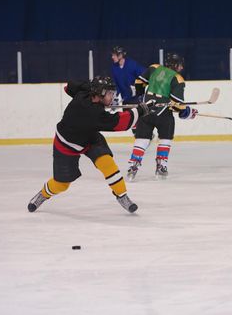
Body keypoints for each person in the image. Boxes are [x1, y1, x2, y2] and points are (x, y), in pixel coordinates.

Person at [27, 76, 151, 214]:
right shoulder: (93, 113)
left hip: (89, 136)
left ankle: (121, 195)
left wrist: (90, 86)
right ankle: (43, 194)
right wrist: (140, 111)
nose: (112, 97)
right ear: (100, 93)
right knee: (61, 184)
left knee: (107, 164)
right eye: (110, 93)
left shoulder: (85, 93)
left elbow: (70, 86)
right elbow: (119, 123)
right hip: (67, 144)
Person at [126, 52, 198, 181]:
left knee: (142, 139)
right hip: (163, 114)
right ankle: (161, 166)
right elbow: (177, 105)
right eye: (180, 65)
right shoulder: (177, 78)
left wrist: (141, 97)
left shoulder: (154, 67)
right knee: (166, 137)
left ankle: (133, 165)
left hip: (146, 109)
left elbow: (138, 82)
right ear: (175, 65)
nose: (181, 68)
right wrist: (188, 112)